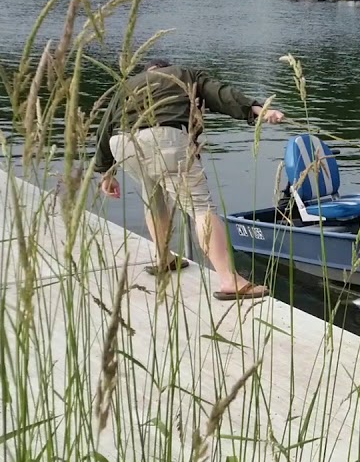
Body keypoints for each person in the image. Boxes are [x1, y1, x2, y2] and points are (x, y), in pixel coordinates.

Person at [92, 59, 285, 300]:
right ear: (165, 67)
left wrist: (106, 172)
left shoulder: (128, 84)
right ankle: (230, 280)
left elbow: (105, 126)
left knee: (153, 199)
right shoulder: (183, 74)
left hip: (122, 143)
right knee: (201, 208)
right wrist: (258, 109)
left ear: (148, 70)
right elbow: (220, 94)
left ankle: (164, 258)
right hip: (165, 137)